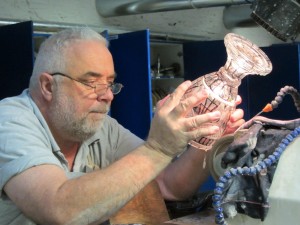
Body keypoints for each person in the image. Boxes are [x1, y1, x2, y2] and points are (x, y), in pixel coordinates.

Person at [0, 27, 244, 225]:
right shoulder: (8, 120)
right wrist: (158, 148)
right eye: (91, 82)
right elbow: (58, 209)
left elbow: (169, 185)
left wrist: (207, 138)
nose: (108, 96)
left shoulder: (102, 127)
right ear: (48, 87)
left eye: (110, 83)